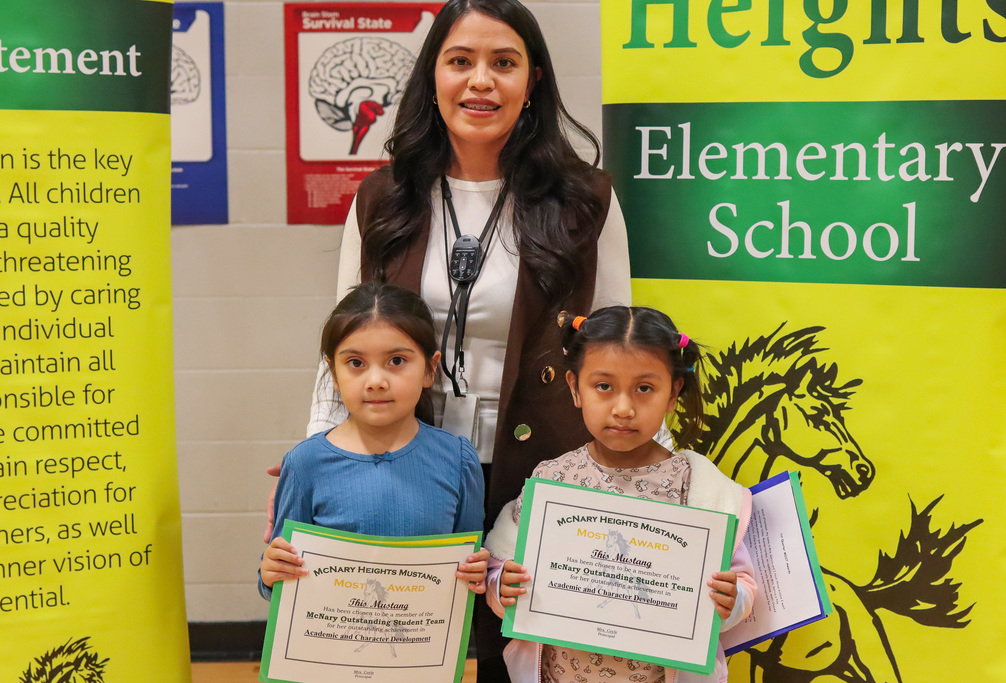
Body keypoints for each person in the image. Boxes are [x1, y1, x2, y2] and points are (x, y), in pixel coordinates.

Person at [268, 0, 634, 675]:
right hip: (405, 458)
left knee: (518, 652)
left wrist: (645, 463)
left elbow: (616, 344)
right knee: (398, 643)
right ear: (432, 77)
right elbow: (344, 339)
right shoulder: (384, 197)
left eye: (504, 62)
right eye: (460, 61)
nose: (480, 81)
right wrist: (315, 451)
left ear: (536, 80)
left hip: (541, 463)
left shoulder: (587, 199)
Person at [483, 306, 757, 683]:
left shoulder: (697, 487)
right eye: (604, 386)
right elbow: (502, 566)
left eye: (644, 388)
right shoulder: (552, 478)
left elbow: (741, 584)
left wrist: (732, 601)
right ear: (575, 388)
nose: (624, 408)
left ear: (673, 392)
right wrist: (503, 588)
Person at [258, 282, 489, 601]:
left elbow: (471, 566)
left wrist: (481, 574)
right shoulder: (304, 464)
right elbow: (281, 577)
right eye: (356, 363)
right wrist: (271, 575)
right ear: (334, 375)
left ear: (429, 369)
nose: (376, 381)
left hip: (421, 644)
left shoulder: (458, 460)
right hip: (329, 646)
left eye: (396, 361)